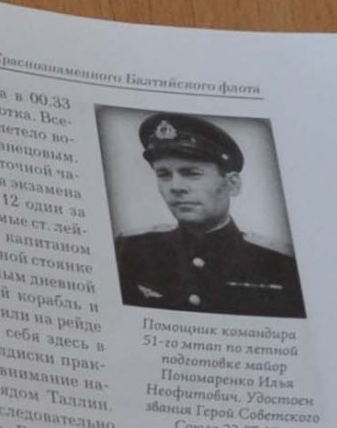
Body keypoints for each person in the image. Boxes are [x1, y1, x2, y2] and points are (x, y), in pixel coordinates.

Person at [113, 113, 305, 317]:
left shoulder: (279, 263)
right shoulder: (131, 250)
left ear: (232, 184)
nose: (175, 187)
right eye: (164, 175)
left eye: (192, 174)